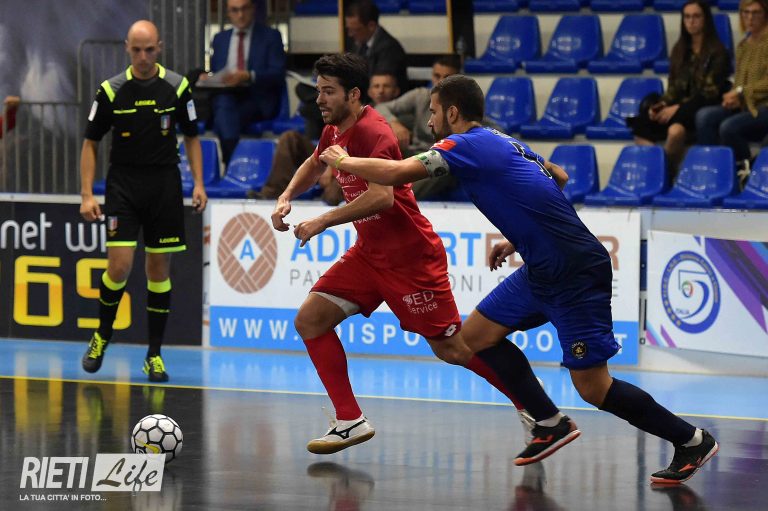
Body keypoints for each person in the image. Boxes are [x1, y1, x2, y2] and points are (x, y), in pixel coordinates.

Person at [319, 74, 719, 484]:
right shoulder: (503, 140)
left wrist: (343, 162)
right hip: (542, 267)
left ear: (453, 113)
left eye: (434, 112)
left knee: (594, 388)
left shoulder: (462, 145)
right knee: (474, 336)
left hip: (574, 272)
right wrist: (518, 240)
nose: (430, 120)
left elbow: (397, 172)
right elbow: (557, 177)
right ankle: (548, 421)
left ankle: (691, 440)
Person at [270, 54, 536, 455]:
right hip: (369, 254)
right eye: (319, 90)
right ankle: (349, 420)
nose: (320, 99)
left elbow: (382, 197)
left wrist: (324, 220)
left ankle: (532, 404)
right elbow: (314, 162)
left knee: (451, 348)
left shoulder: (375, 132)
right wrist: (287, 195)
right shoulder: (333, 129)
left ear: (353, 94)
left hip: (410, 258)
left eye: (328, 91)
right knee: (311, 320)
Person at [79, 20, 208, 382]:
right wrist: (87, 194)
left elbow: (192, 137)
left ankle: (154, 354)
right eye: (136, 50)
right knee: (119, 267)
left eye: (149, 49)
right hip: (123, 185)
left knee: (158, 271)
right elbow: (90, 142)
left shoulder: (177, 87)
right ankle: (102, 335)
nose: (143, 57)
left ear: (159, 47)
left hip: (164, 185)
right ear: (127, 48)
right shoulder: (111, 90)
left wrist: (199, 184)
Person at [254, 70, 402, 204]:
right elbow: (322, 155)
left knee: (334, 194)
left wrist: (334, 167)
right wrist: (329, 165)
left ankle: (325, 203)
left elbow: (379, 169)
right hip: (335, 160)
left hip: (360, 171)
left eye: (386, 86)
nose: (381, 91)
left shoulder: (393, 121)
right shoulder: (342, 114)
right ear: (368, 91)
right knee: (290, 139)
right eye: (376, 86)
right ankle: (272, 195)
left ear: (396, 91)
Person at [629, 0, 730, 177]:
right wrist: (661, 105)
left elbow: (709, 93)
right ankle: (658, 168)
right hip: (678, 110)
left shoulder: (718, 52)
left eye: (696, 16)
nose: (691, 21)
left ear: (705, 19)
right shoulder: (680, 49)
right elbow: (673, 89)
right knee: (642, 120)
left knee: (675, 131)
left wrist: (678, 108)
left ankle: (663, 174)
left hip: (700, 108)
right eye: (687, 17)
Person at [206, 0, 286, 164]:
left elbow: (278, 74)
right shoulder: (220, 39)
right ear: (228, 13)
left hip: (256, 98)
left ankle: (230, 160)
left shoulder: (270, 36)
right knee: (223, 104)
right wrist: (208, 78)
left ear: (253, 9)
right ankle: (235, 161)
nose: (240, 15)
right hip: (226, 95)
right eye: (235, 10)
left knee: (223, 113)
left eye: (244, 9)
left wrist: (249, 76)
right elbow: (217, 71)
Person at [376, 55, 462, 199]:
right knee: (380, 143)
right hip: (413, 154)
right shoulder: (420, 95)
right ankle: (356, 188)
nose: (440, 82)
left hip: (441, 160)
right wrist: (394, 123)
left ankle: (392, 197)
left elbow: (490, 130)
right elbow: (380, 108)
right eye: (437, 76)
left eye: (447, 77)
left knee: (445, 168)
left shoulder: (466, 105)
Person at [695, 0, 768, 171]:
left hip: (764, 107)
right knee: (704, 116)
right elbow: (740, 81)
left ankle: (747, 170)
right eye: (746, 13)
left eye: (756, 13)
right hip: (745, 104)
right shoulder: (743, 45)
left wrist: (741, 92)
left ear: (765, 14)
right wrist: (733, 96)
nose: (750, 18)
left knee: (728, 127)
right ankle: (713, 169)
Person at [345, 0, 407, 92]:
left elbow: (380, 89)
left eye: (355, 30)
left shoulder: (389, 49)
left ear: (371, 25)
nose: (350, 34)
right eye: (349, 29)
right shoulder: (359, 44)